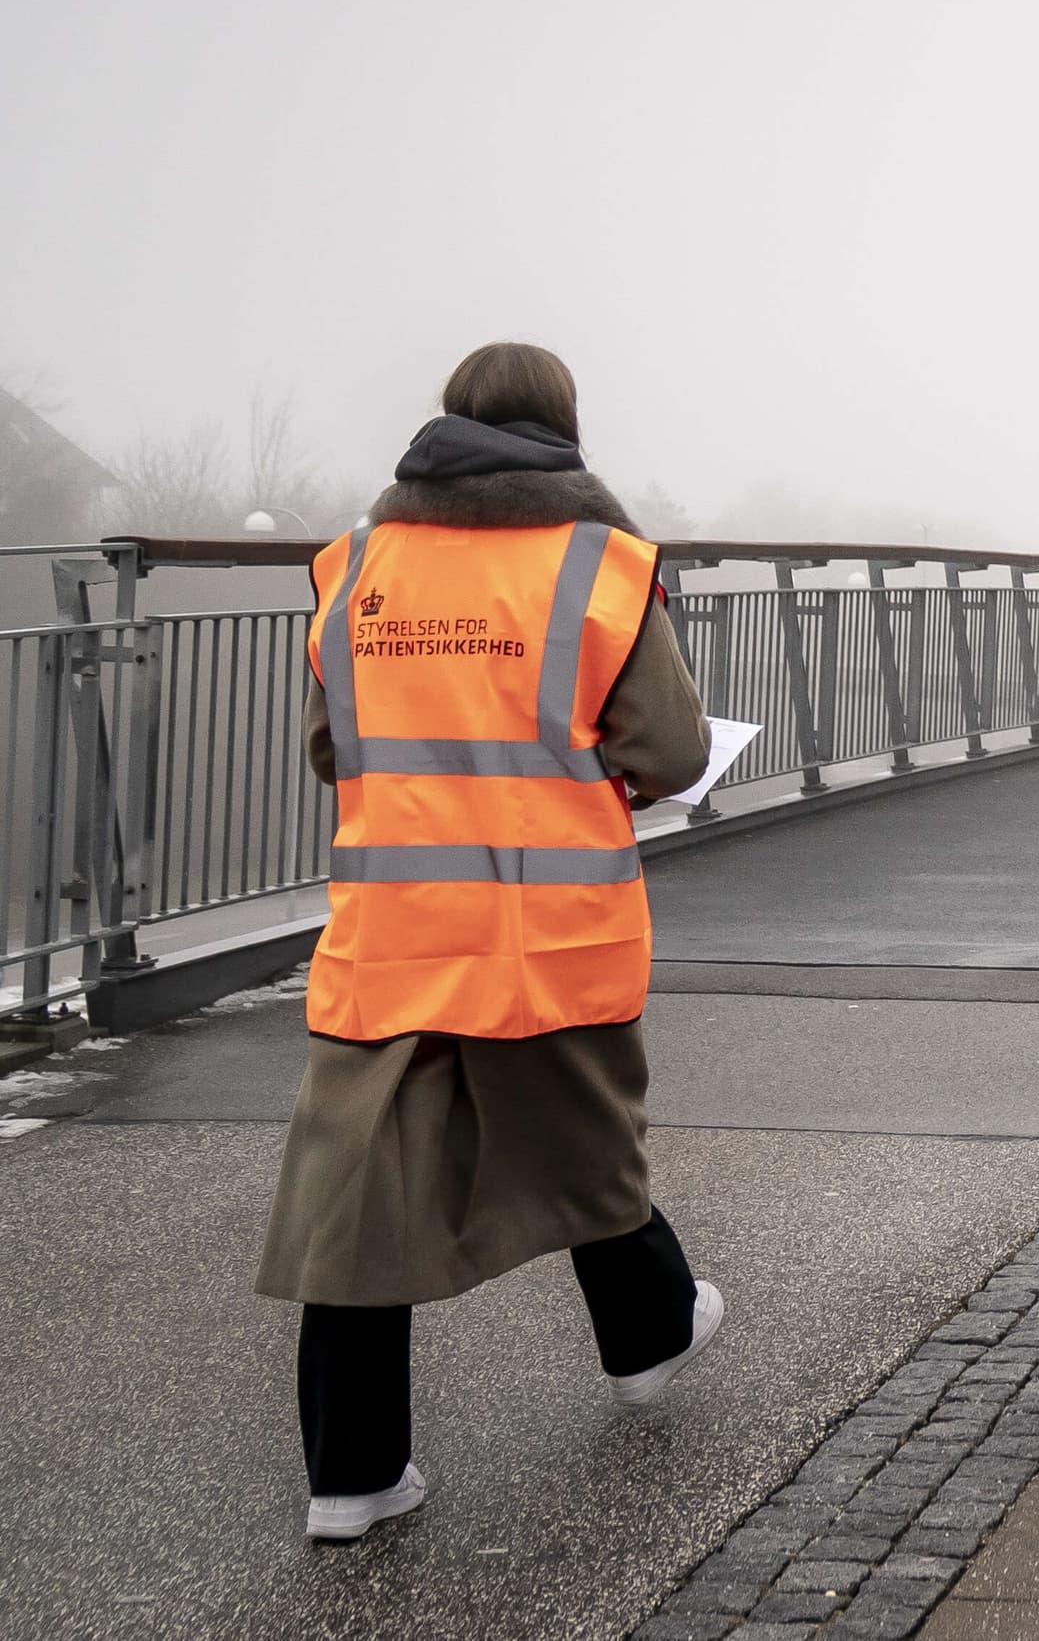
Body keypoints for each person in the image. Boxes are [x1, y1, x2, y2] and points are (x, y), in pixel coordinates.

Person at [257, 342, 724, 1542]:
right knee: (580, 1146)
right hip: (544, 929)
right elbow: (667, 754)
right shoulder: (598, 564)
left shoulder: (356, 562)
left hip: (397, 930)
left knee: (356, 1200)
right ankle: (650, 1339)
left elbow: (332, 749)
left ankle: (353, 1477)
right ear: (564, 429)